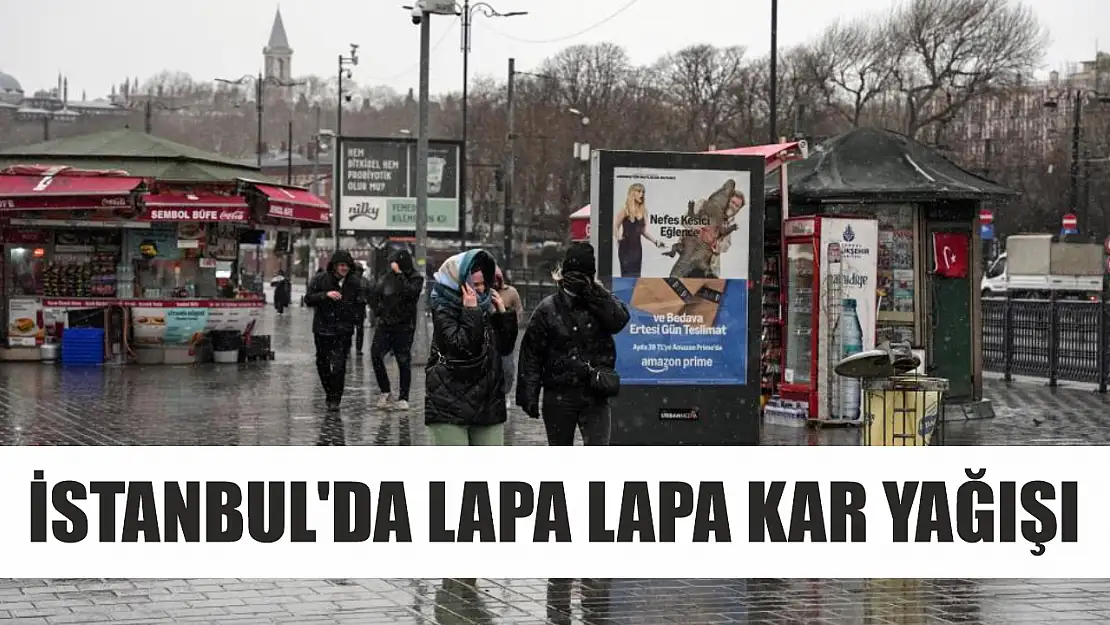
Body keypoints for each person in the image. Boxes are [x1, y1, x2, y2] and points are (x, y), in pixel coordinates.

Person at [517, 242, 630, 446]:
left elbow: (619, 320)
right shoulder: (548, 309)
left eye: (583, 276)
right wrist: (528, 394)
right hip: (559, 392)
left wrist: (593, 293)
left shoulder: (599, 301)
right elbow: (532, 354)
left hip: (595, 391)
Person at [425, 250, 518, 445]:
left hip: (487, 404)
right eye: (475, 285)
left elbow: (506, 347)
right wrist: (471, 312)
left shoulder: (486, 308)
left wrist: (502, 314)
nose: (481, 290)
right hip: (450, 404)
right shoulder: (444, 308)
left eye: (484, 284)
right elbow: (463, 348)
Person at [304, 250, 362, 411]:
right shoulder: (321, 280)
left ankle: (335, 398)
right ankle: (329, 391)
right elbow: (308, 299)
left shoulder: (354, 283)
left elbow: (360, 302)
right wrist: (325, 295)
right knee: (322, 363)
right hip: (323, 329)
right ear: (335, 266)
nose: (344, 268)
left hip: (343, 331)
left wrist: (356, 318)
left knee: (339, 365)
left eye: (347, 266)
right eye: (341, 265)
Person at [368, 248, 424, 411]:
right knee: (376, 354)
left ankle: (404, 397)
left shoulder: (415, 278)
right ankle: (385, 390)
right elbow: (375, 293)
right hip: (386, 323)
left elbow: (410, 293)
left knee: (403, 360)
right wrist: (379, 310)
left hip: (404, 325)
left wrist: (400, 275)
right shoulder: (387, 277)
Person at [613, 182, 664, 277]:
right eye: (639, 191)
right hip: (626, 247)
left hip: (637, 248)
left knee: (636, 276)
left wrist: (655, 241)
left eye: (643, 192)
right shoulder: (625, 209)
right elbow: (615, 225)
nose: (642, 194)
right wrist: (618, 237)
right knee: (626, 275)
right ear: (632, 193)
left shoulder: (644, 211)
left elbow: (643, 231)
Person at [493, 267, 523, 405]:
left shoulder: (511, 292)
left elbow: (518, 310)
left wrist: (512, 325)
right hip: (490, 335)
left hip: (505, 334)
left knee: (507, 367)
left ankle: (505, 392)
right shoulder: (482, 291)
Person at [351, 263, 370, 354]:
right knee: (348, 330)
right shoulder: (349, 281)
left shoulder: (365, 281)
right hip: (350, 307)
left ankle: (358, 349)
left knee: (359, 329)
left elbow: (370, 293)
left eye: (360, 270)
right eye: (357, 270)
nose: (359, 272)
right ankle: (347, 348)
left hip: (360, 307)